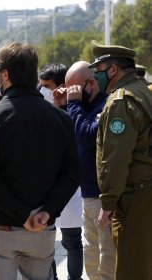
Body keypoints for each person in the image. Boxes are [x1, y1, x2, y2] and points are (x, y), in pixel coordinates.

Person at [0, 42, 80, 280]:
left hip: (2, 227)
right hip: (42, 226)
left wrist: (23, 214)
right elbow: (72, 174)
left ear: (4, 75)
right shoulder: (59, 118)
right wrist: (47, 212)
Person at [90, 40, 152, 280]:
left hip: (134, 197)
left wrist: (108, 202)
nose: (96, 75)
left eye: (99, 69)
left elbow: (115, 158)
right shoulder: (142, 91)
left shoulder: (120, 101)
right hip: (144, 192)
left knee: (131, 270)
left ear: (113, 69)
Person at [55, 61, 116, 280]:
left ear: (91, 84)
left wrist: (73, 105)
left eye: (75, 88)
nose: (72, 93)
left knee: (106, 259)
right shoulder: (82, 108)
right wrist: (62, 107)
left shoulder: (107, 106)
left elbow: (86, 136)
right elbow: (66, 141)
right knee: (91, 257)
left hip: (103, 198)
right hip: (87, 195)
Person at [40, 63, 84, 280]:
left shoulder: (78, 110)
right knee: (46, 242)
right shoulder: (40, 111)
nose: (42, 91)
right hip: (46, 186)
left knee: (73, 241)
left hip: (71, 187)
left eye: (46, 86)